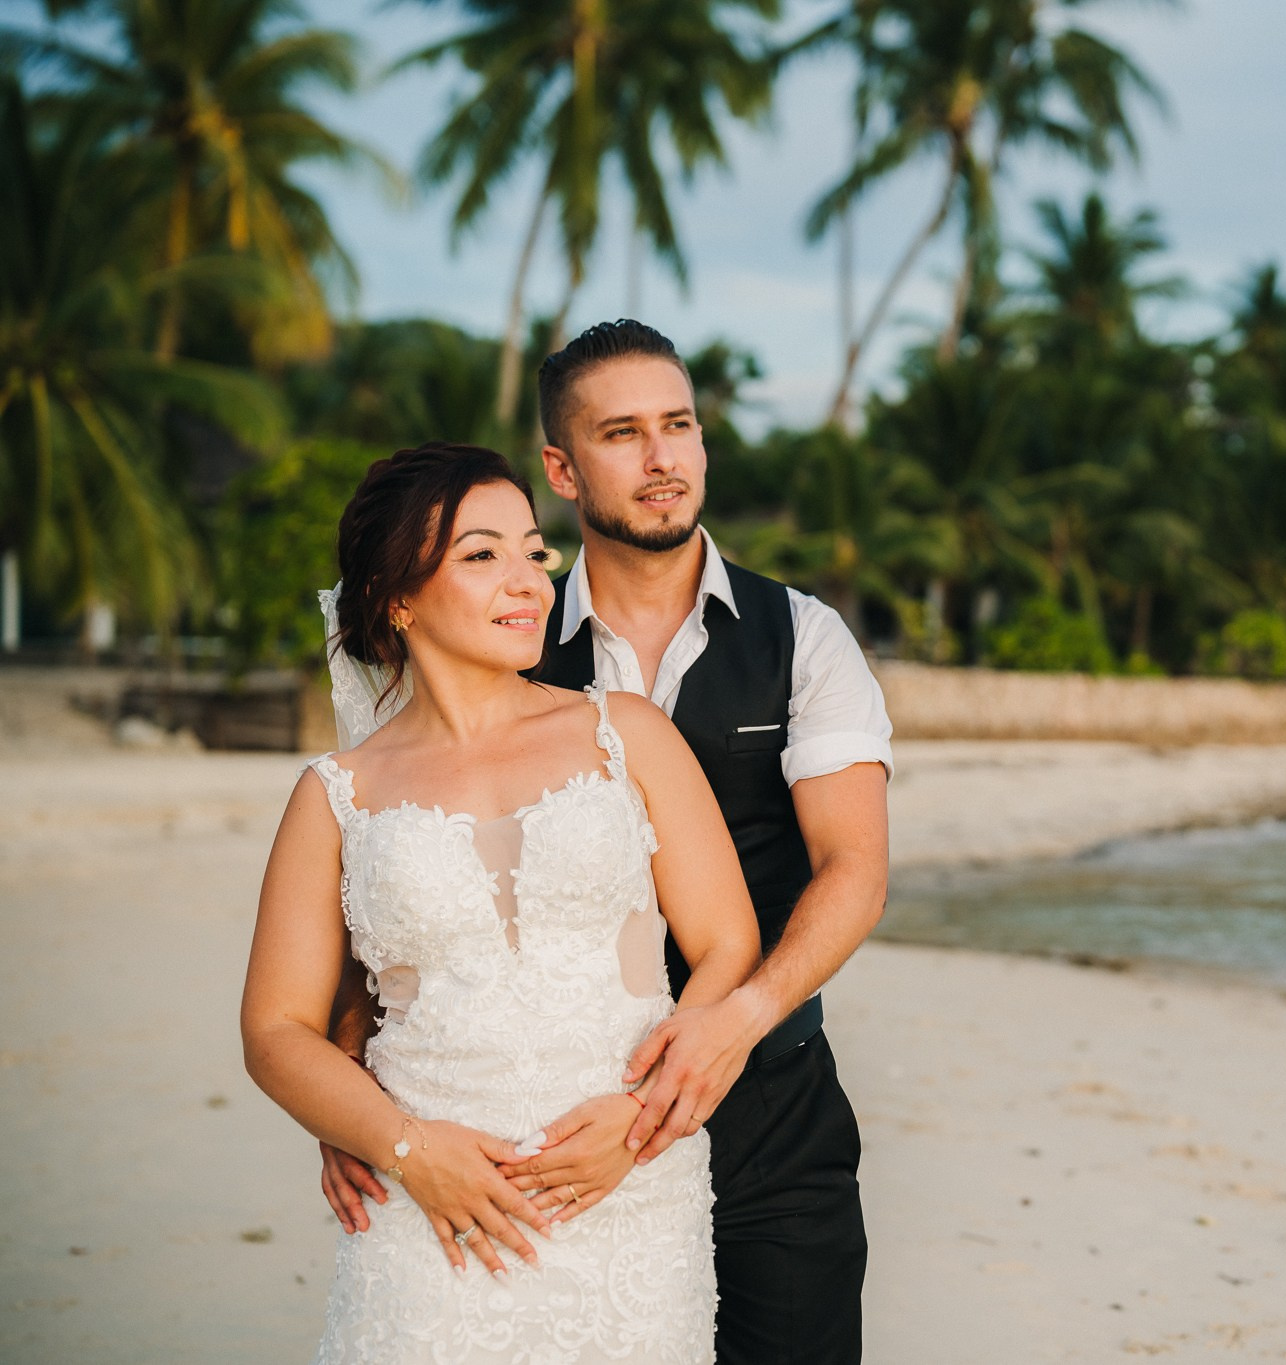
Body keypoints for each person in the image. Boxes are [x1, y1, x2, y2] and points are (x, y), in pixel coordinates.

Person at [317, 321, 893, 1364]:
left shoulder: (800, 636)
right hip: (549, 1125)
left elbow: (853, 869)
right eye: (622, 434)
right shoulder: (496, 631)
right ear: (562, 468)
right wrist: (354, 1101)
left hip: (770, 1107)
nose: (662, 457)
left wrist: (742, 1016)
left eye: (678, 426)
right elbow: (395, 867)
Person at [242, 443, 761, 1362]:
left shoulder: (622, 733)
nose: (527, 581)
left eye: (534, 552)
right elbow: (276, 1030)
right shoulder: (336, 795)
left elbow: (726, 945)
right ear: (395, 596)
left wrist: (642, 1121)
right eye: (482, 555)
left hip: (627, 1195)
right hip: (426, 1213)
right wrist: (405, 1148)